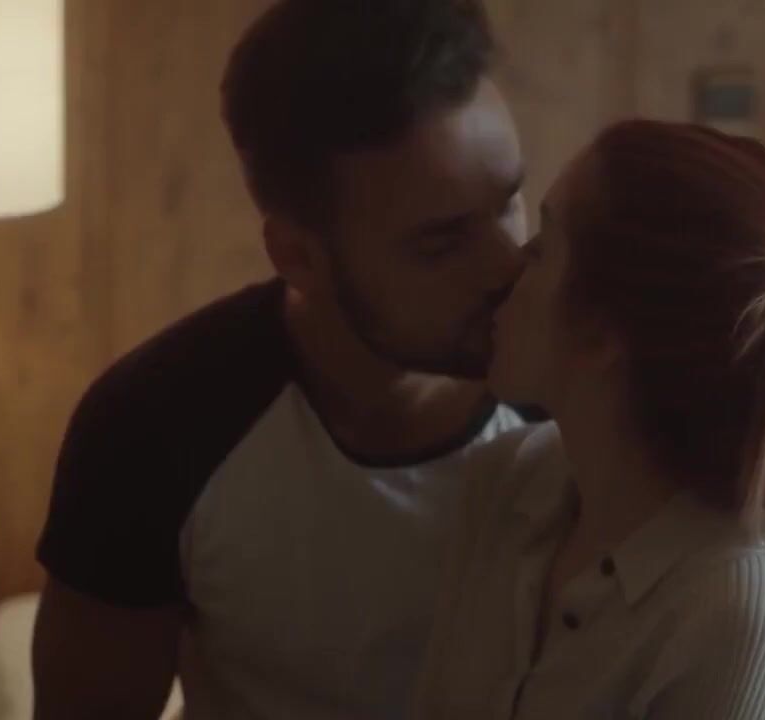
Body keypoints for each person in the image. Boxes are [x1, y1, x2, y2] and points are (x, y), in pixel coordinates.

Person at [31, 1, 539, 718]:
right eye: (440, 243)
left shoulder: (594, 387)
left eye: (509, 202)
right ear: (298, 256)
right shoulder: (156, 425)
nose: (507, 266)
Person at [412, 120, 765, 718]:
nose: (508, 269)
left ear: (603, 332)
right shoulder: (505, 480)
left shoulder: (740, 608)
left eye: (542, 248)